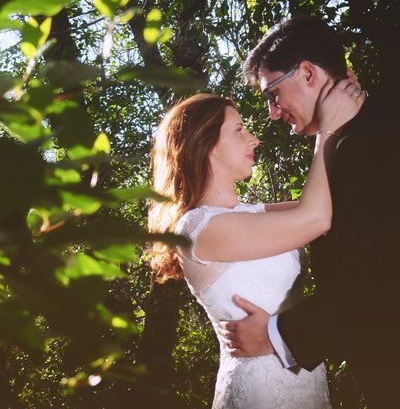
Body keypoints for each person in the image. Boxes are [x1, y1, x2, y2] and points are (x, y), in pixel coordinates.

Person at [148, 82, 362, 408]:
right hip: (261, 391)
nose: (254, 138)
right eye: (239, 130)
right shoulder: (198, 228)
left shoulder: (245, 214)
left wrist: (341, 101)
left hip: (302, 377)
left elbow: (327, 203)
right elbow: (316, 219)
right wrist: (328, 127)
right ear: (207, 145)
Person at [222, 15, 400, 408]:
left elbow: (378, 282)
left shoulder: (370, 148)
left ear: (307, 73)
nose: (272, 112)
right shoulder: (355, 138)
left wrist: (275, 335)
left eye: (272, 94)